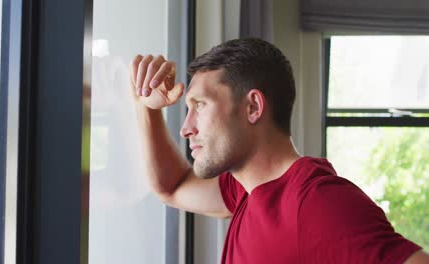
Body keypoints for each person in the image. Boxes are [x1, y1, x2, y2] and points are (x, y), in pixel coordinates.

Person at [128, 38, 428, 263]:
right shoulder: (242, 190)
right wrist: (145, 107)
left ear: (253, 107)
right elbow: (172, 187)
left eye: (200, 106)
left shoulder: (317, 203)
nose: (186, 128)